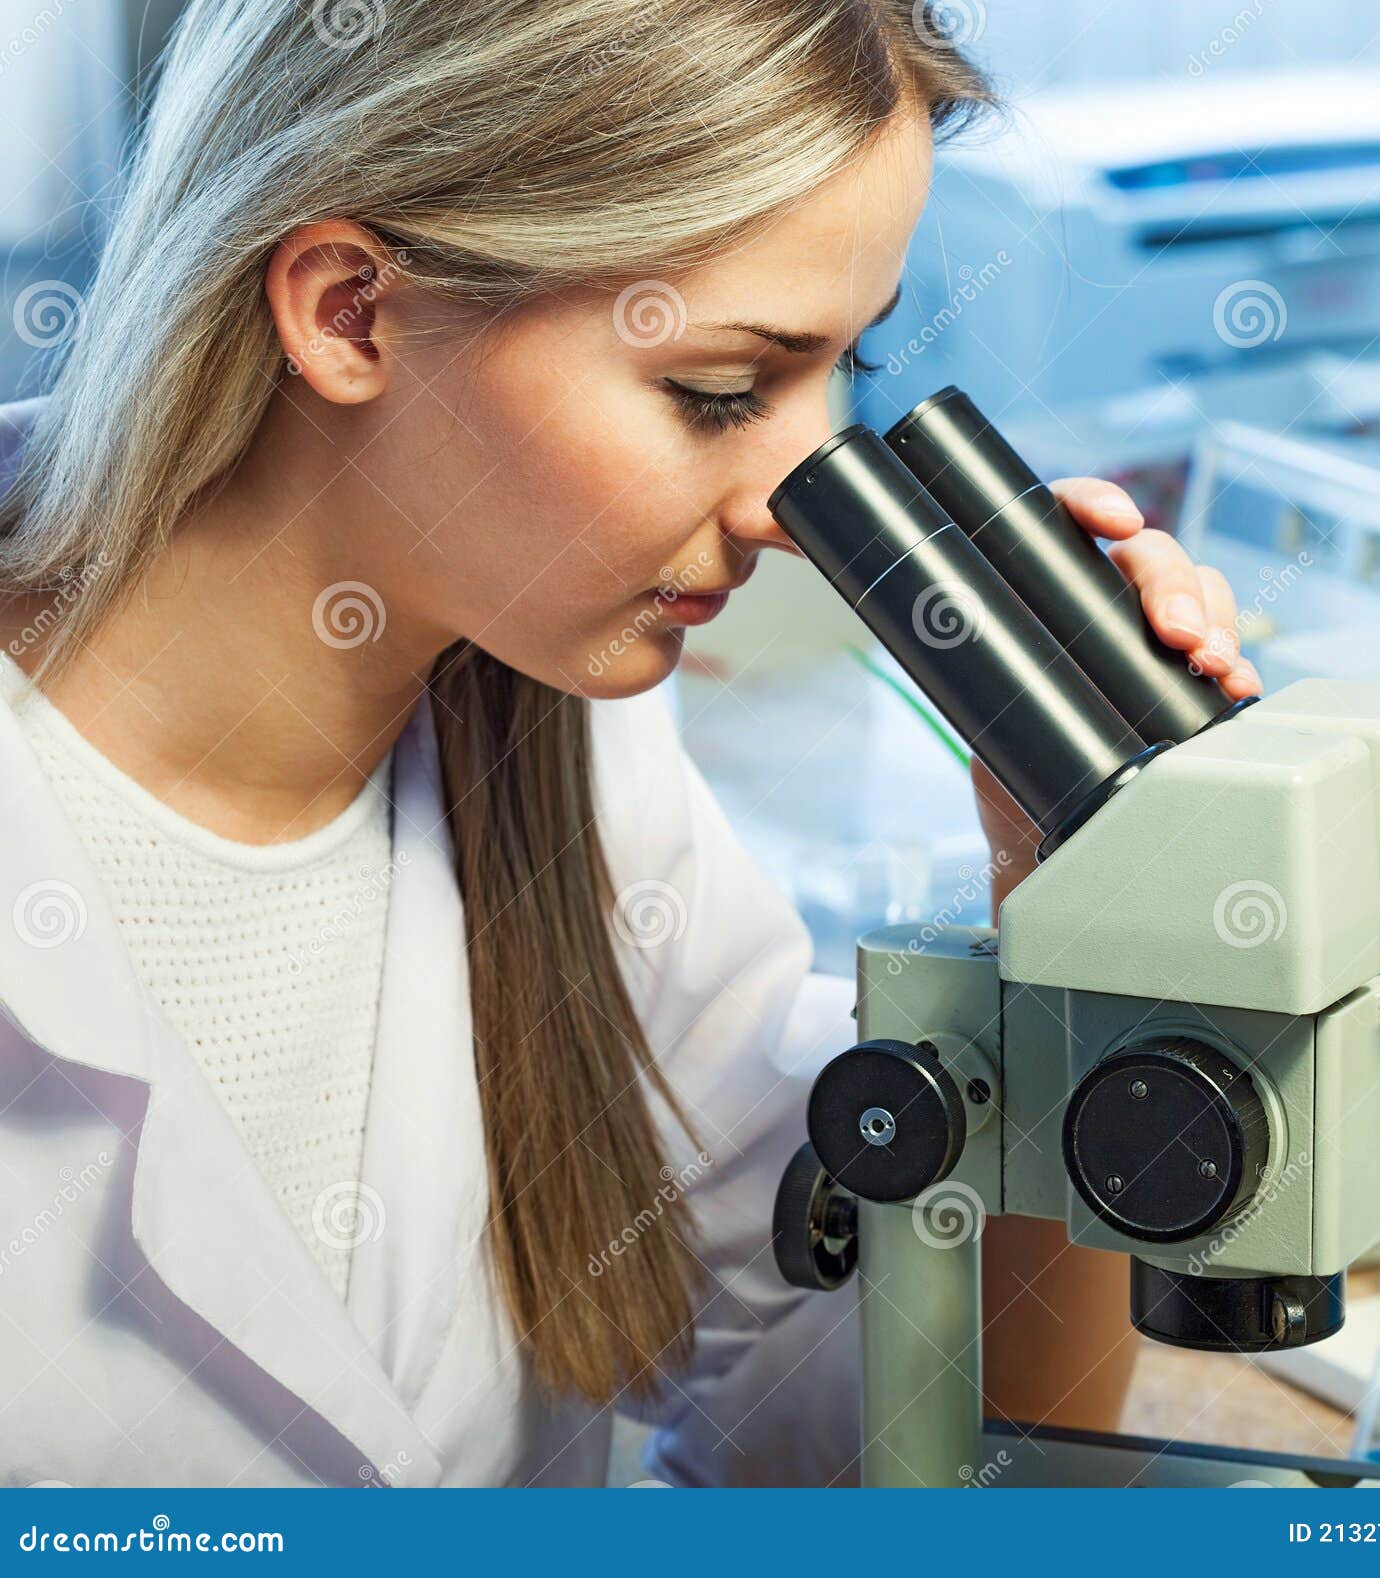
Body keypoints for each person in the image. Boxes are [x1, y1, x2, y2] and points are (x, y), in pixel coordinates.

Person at [0, 0, 1258, 1488]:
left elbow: (892, 1445)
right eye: (718, 389)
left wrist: (1078, 918)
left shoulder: (556, 733)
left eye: (841, 374)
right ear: (349, 312)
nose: (795, 507)